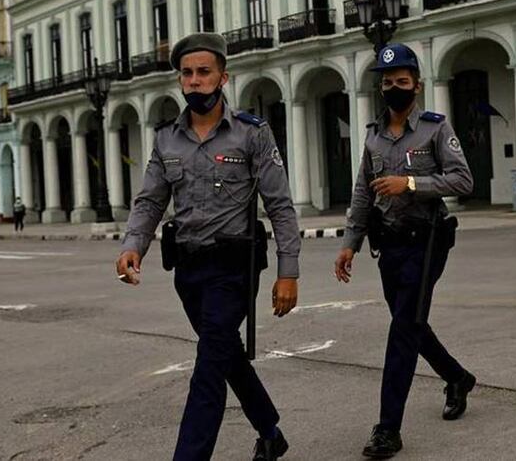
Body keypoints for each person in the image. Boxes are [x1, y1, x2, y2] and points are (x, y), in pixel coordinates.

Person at [115, 33, 300, 461]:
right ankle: (270, 431)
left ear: (223, 77)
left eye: (204, 72)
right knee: (225, 355)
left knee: (208, 370)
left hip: (233, 269)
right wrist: (133, 246)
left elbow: (280, 205)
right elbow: (150, 200)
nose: (195, 81)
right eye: (187, 74)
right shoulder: (166, 139)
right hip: (189, 273)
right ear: (180, 80)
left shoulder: (252, 135)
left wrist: (287, 272)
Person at [334, 43, 476, 459]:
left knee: (401, 331)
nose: (393, 87)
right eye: (387, 82)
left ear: (417, 84)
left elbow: (463, 180)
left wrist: (411, 184)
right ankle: (457, 377)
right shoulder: (374, 136)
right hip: (389, 245)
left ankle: (387, 429)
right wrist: (349, 243)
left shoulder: (435, 128)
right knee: (409, 322)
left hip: (427, 242)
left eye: (401, 81)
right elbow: (362, 192)